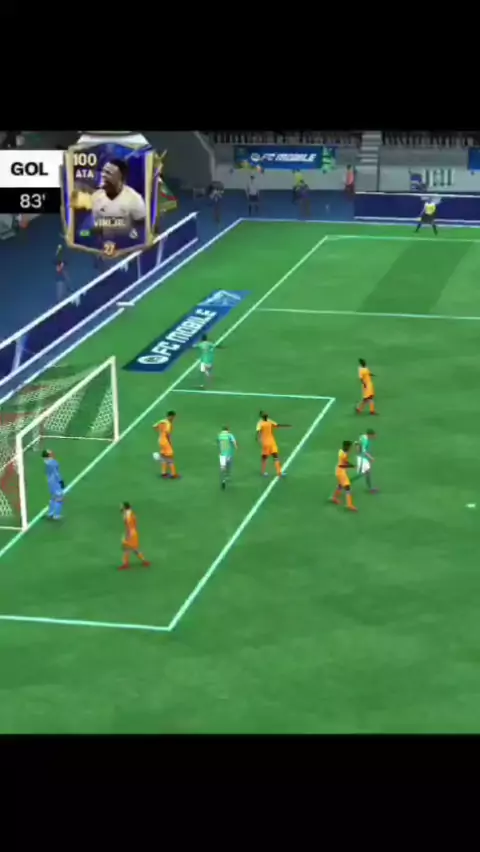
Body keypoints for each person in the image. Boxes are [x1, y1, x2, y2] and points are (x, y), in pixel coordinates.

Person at [71, 158, 146, 229]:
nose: (103, 175)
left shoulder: (135, 199)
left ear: (121, 178)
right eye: (103, 172)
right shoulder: (96, 196)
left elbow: (141, 228)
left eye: (109, 173)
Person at [256, 411, 290, 477]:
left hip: (267, 443)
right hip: (270, 443)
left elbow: (258, 432)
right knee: (274, 457)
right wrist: (286, 426)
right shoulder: (268, 422)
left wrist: (257, 439)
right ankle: (279, 472)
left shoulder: (261, 423)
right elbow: (277, 425)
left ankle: (264, 472)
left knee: (266, 457)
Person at [119, 502, 150, 570]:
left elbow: (129, 526)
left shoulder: (127, 515)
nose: (120, 508)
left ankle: (126, 564)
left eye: (122, 507)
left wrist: (127, 536)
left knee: (127, 549)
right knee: (135, 549)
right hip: (134, 533)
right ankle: (144, 561)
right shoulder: (131, 514)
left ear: (124, 508)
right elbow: (135, 524)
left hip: (131, 534)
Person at [331, 440, 357, 511]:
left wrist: (351, 465)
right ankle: (349, 505)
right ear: (347, 447)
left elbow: (345, 462)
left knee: (340, 486)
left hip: (340, 471)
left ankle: (334, 498)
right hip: (341, 472)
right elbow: (343, 465)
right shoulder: (344, 454)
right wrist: (352, 466)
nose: (351, 448)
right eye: (350, 447)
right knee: (348, 488)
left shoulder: (341, 451)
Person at [153, 411, 180, 479]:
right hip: (165, 441)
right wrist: (170, 443)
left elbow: (154, 426)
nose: (173, 419)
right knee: (170, 456)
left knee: (164, 456)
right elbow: (168, 434)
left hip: (160, 440)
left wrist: (160, 432)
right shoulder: (168, 424)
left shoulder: (162, 421)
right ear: (170, 416)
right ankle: (174, 474)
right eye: (173, 417)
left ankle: (163, 473)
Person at [42, 449, 64, 521]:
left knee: (53, 497)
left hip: (50, 481)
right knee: (59, 498)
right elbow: (56, 473)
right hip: (55, 482)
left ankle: (50, 513)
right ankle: (56, 515)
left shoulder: (46, 462)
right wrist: (61, 481)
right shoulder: (53, 463)